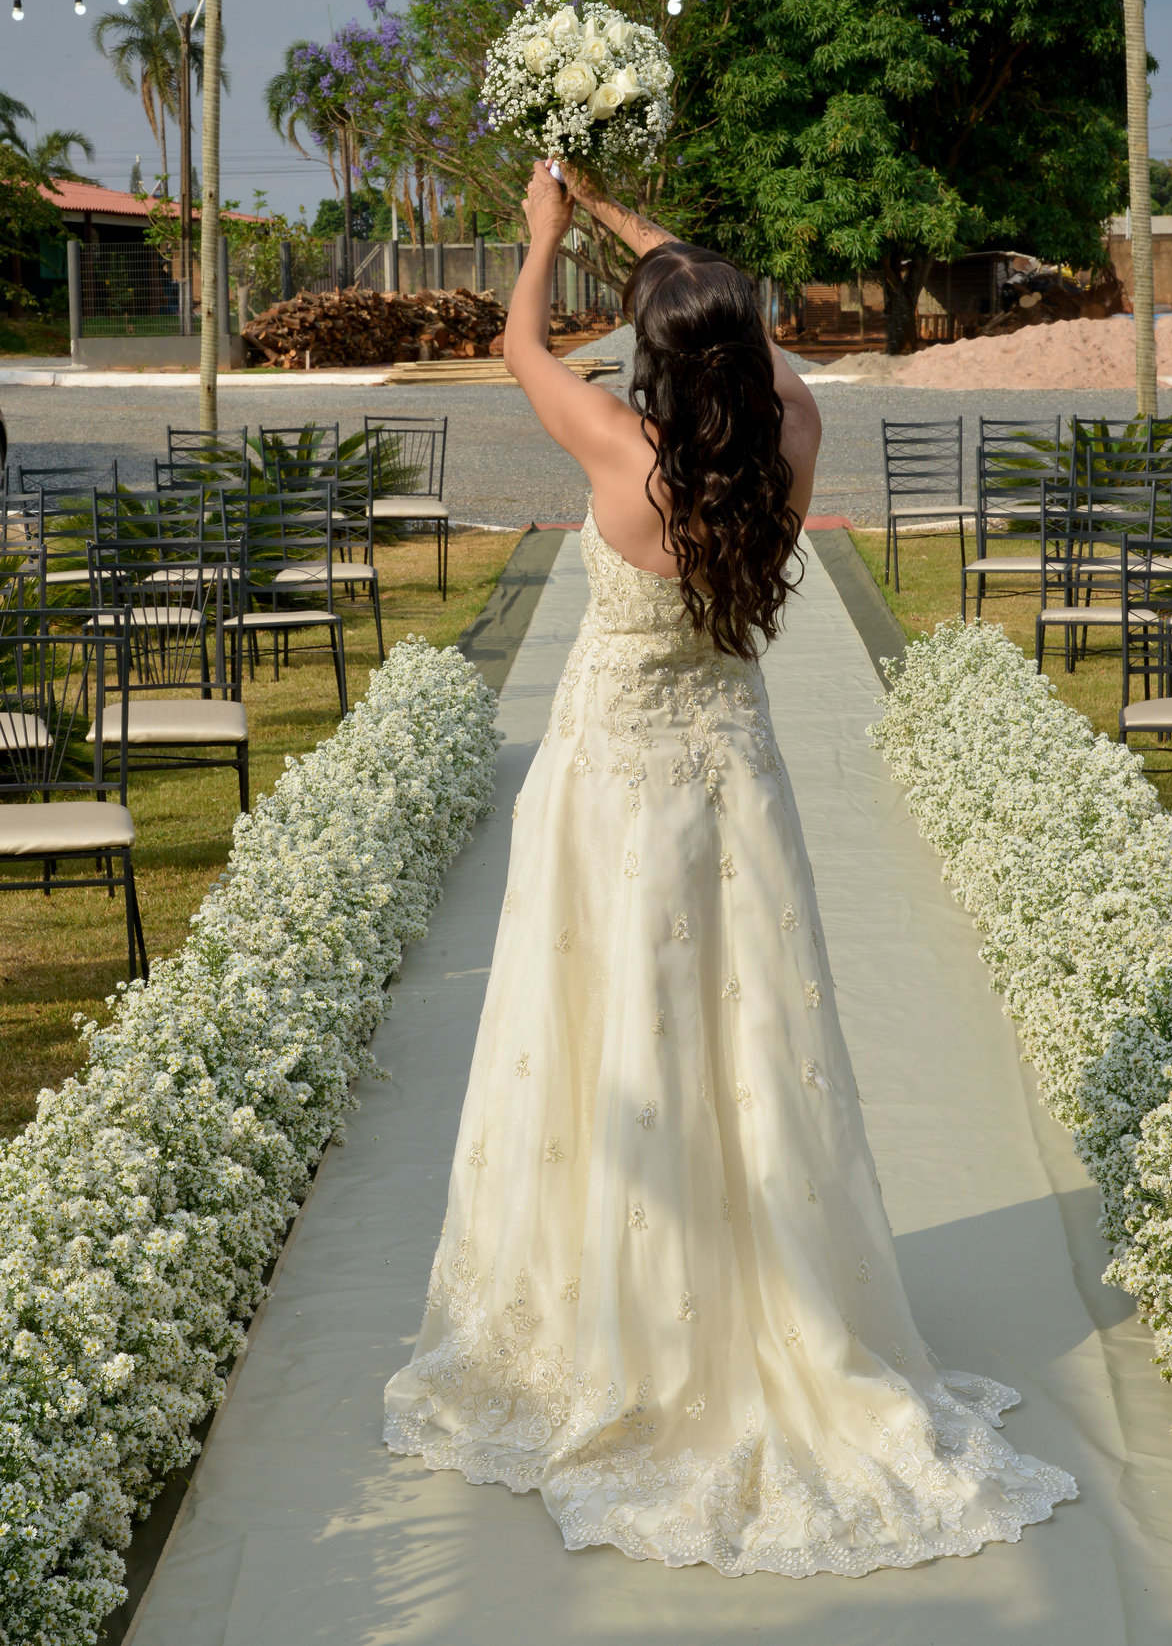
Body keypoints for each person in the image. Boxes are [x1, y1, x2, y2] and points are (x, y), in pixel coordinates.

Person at [383, 163, 1076, 1576]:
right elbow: (752, 345)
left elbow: (518, 341)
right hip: (732, 783)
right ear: (747, 341)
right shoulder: (797, 436)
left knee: (613, 1038)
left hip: (609, 785)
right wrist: (651, 235)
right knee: (747, 1039)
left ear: (646, 352)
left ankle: (629, 1311)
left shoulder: (615, 454)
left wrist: (546, 236)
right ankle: (750, 1290)